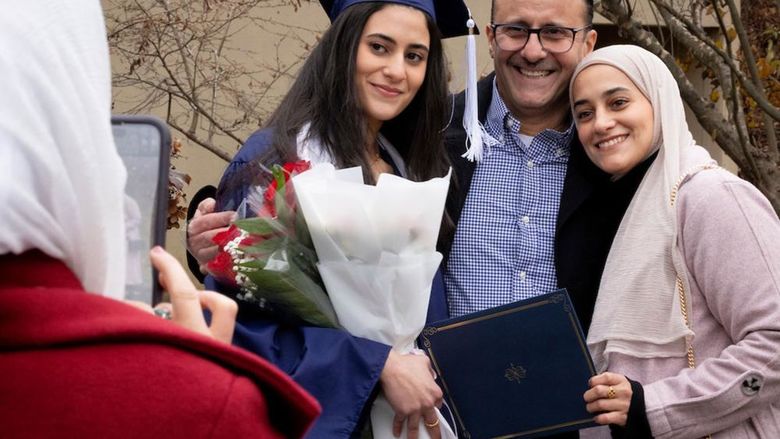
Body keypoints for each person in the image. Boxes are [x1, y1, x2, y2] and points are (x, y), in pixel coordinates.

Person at [0, 1, 320, 437]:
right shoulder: (191, 407)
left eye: (414, 55)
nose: (395, 71)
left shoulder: (419, 156)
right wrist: (197, 386)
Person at [189, 0, 474, 437]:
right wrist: (378, 365)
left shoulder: (412, 169)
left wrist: (418, 366)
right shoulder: (275, 160)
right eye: (379, 47)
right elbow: (240, 326)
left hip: (411, 415)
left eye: (414, 56)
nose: (398, 70)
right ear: (342, 49)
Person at [570, 45, 780, 438]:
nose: (601, 123)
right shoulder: (621, 210)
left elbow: (776, 341)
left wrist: (654, 407)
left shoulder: (709, 196)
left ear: (659, 101)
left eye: (618, 102)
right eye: (584, 113)